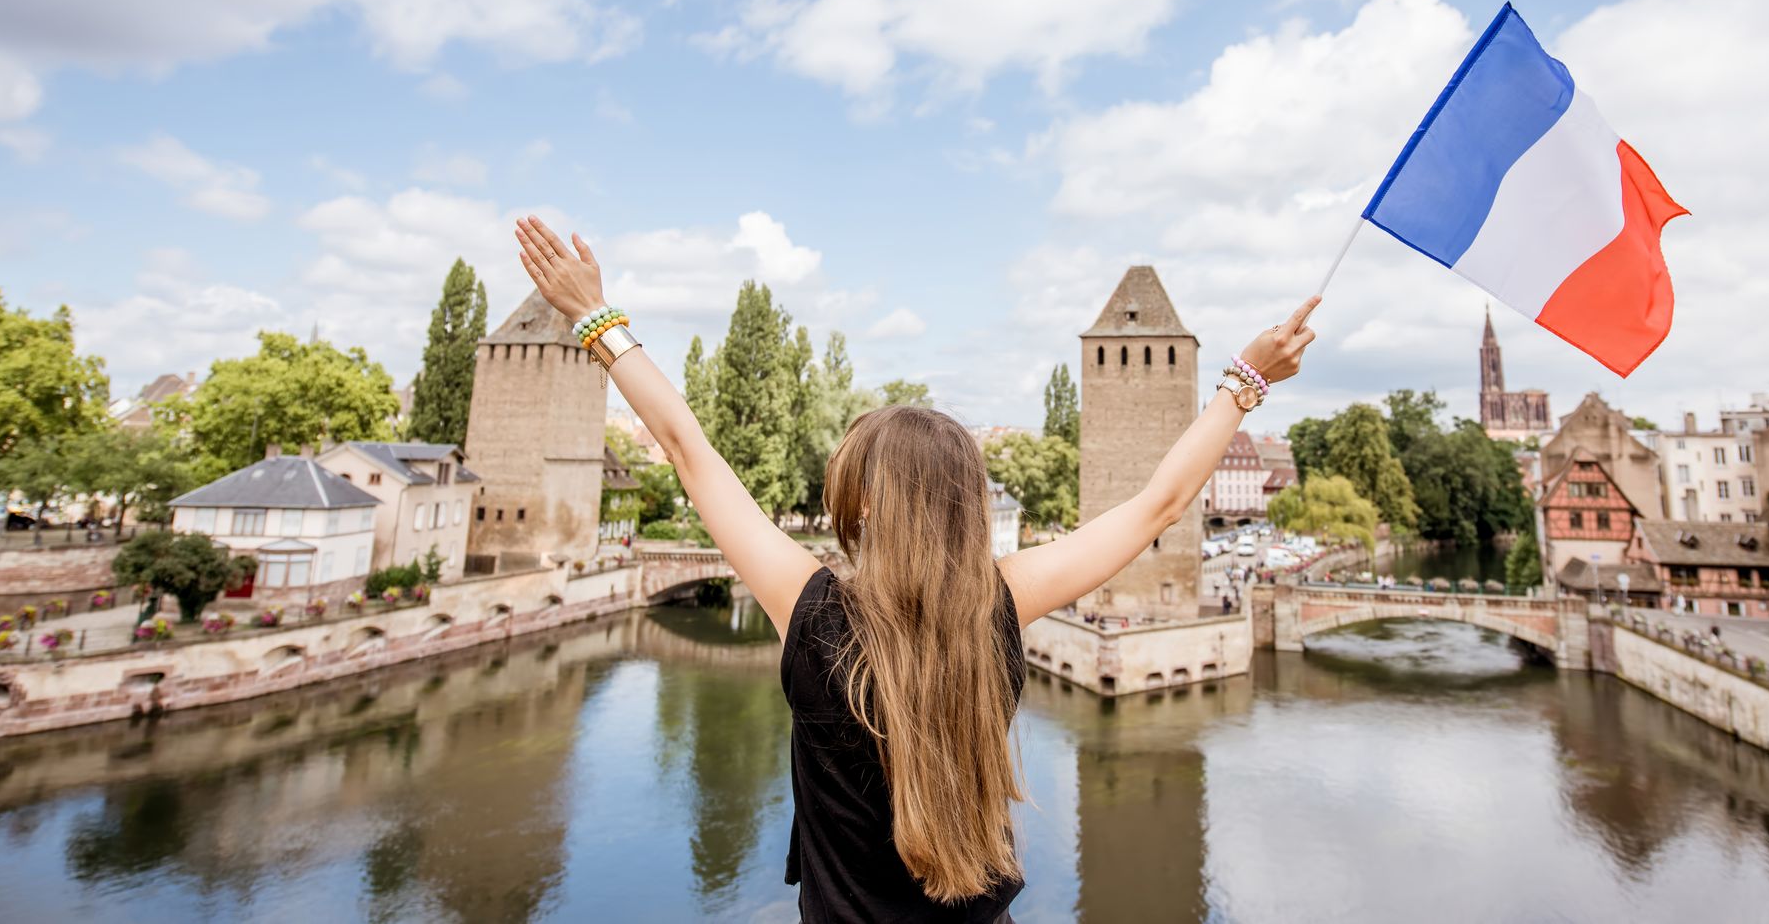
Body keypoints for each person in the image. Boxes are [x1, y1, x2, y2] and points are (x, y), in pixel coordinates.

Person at [513, 215, 1319, 921]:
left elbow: (689, 449)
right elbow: (1159, 505)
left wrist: (595, 315)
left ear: (858, 506)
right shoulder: (1002, 601)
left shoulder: (810, 607)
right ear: (969, 504)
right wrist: (1244, 381)